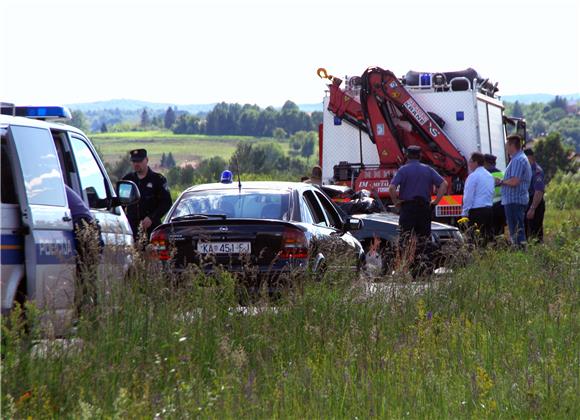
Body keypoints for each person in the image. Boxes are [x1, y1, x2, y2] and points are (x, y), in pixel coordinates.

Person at [389, 146, 448, 274]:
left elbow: (392, 187)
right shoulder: (428, 170)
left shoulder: (403, 170)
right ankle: (424, 270)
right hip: (424, 208)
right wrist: (435, 202)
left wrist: (396, 203)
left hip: (408, 208)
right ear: (420, 156)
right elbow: (444, 184)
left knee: (405, 239)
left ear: (407, 156)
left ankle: (404, 269)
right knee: (424, 240)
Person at [122, 149, 173, 241]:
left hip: (152, 230)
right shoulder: (127, 180)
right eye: (134, 161)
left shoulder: (158, 180)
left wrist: (152, 218)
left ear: (146, 160)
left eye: (139, 161)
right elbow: (121, 202)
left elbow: (166, 203)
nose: (136, 164)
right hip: (132, 229)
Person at [497, 135, 532, 247]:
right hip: (515, 200)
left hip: (514, 200)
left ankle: (521, 254)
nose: (506, 147)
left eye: (507, 144)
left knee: (516, 231)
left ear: (512, 145)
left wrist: (501, 182)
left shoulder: (518, 160)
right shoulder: (519, 158)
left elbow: (514, 181)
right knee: (516, 230)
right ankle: (520, 253)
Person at [462, 152, 495, 245]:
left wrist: (464, 213)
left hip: (477, 212)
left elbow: (468, 196)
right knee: (487, 240)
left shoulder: (473, 176)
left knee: (475, 241)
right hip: (489, 210)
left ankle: (476, 258)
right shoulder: (489, 176)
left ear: (476, 162)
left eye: (470, 161)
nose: (469, 164)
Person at [524, 148, 545, 243]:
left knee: (535, 232)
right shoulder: (527, 169)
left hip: (535, 202)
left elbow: (539, 191)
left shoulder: (537, 171)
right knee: (527, 231)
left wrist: (532, 208)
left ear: (529, 157)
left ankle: (538, 253)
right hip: (528, 201)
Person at [484, 154, 505, 236]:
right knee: (500, 230)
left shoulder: (486, 176)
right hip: (502, 205)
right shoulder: (502, 174)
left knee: (491, 231)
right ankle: (500, 245)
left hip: (490, 206)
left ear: (486, 163)